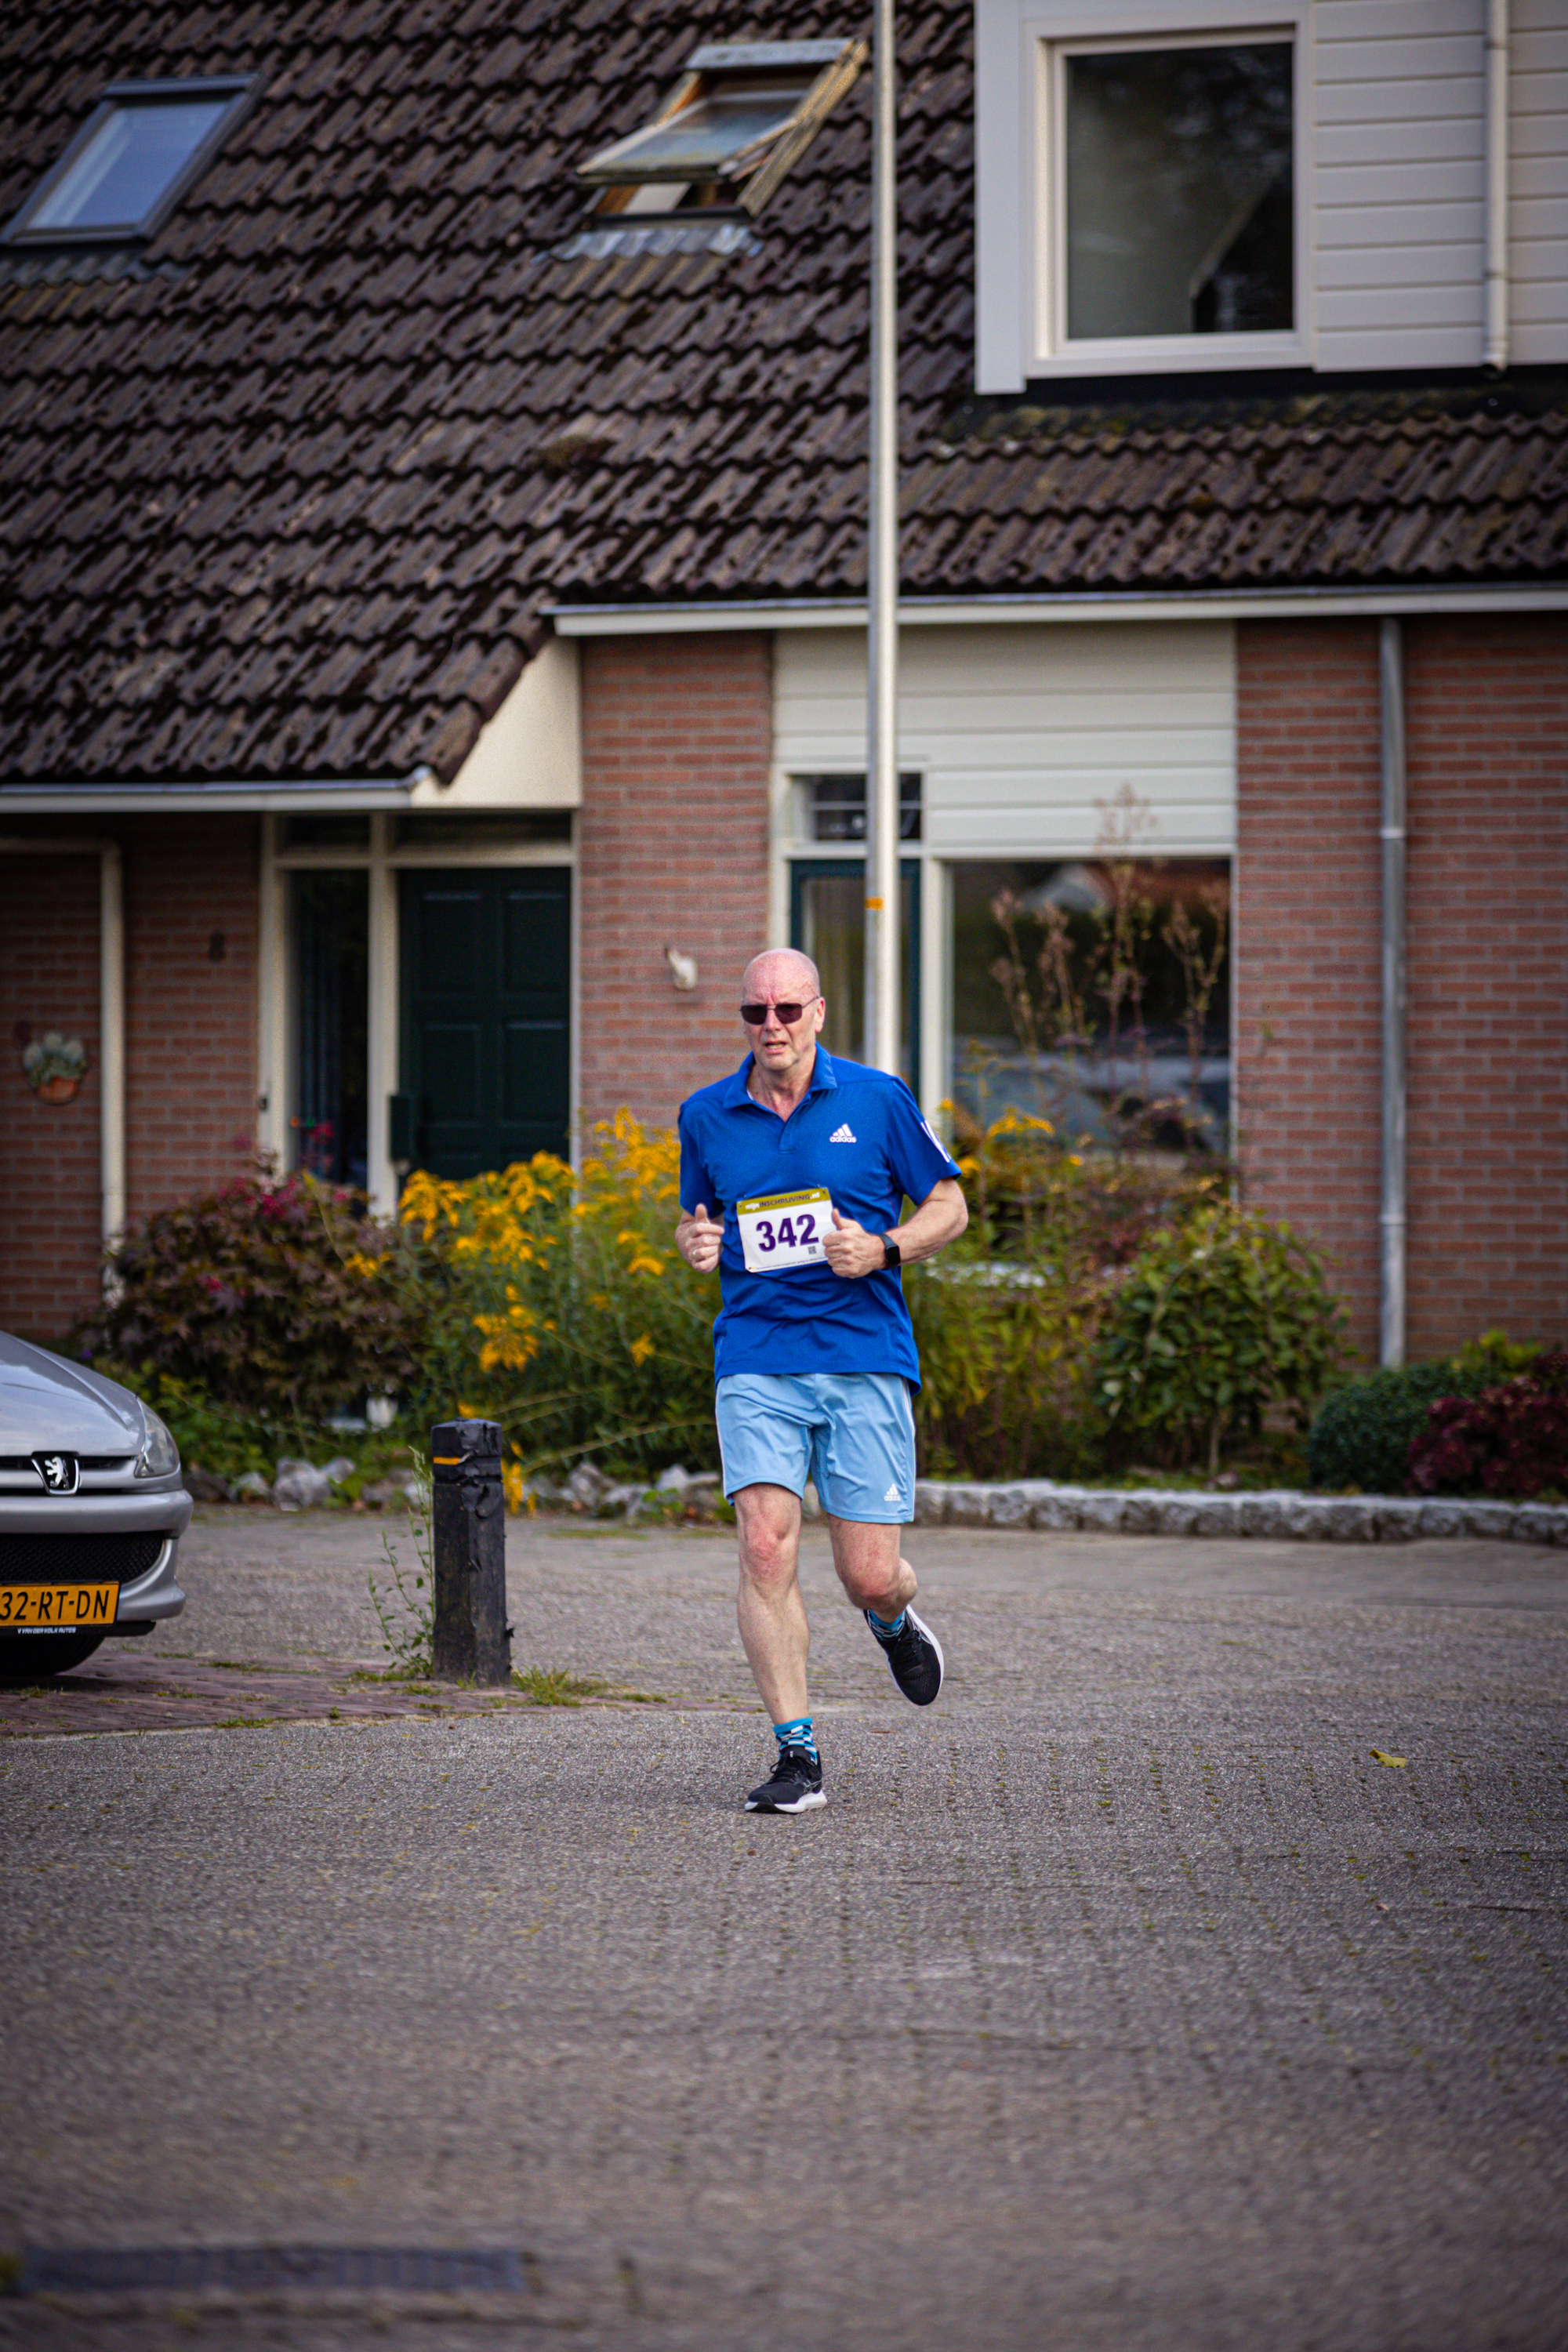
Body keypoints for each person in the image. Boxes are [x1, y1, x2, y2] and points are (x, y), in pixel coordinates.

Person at [675, 947, 968, 1814]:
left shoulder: (878, 1101)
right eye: (754, 1014)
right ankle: (795, 1756)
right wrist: (691, 1244)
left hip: (862, 1355)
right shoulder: (704, 1115)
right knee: (765, 1542)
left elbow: (949, 1208)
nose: (771, 1027)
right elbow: (701, 1224)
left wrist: (881, 1248)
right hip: (756, 1354)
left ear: (819, 1012)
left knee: (869, 1573)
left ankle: (890, 1621)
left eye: (787, 1011)